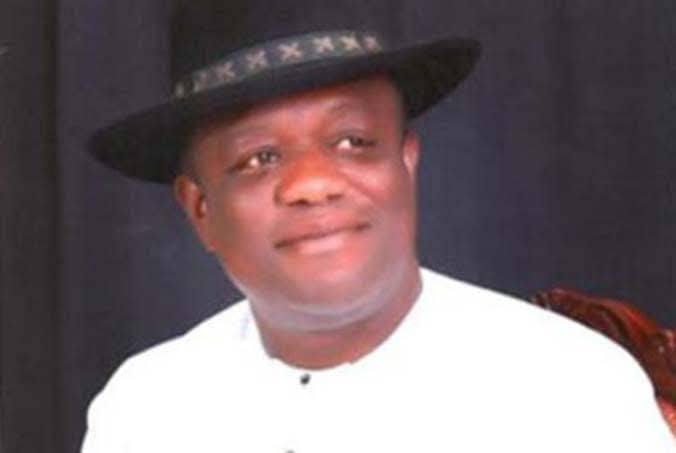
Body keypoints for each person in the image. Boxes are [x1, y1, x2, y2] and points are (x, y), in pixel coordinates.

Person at [82, 1, 675, 451]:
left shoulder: (568, 387)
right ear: (200, 210)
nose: (313, 184)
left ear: (406, 164)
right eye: (259, 158)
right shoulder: (145, 408)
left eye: (352, 142)